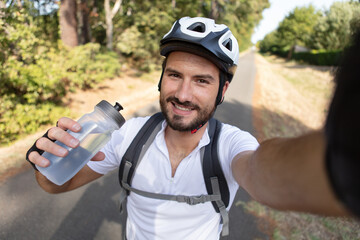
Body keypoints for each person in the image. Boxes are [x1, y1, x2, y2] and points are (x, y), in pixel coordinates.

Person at [26, 17, 358, 239]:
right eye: (175, 75)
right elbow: (54, 186)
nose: (183, 95)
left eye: (202, 81)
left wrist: (344, 160)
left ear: (223, 91)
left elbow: (263, 175)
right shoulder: (129, 136)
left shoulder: (230, 144)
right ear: (161, 78)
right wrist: (47, 157)